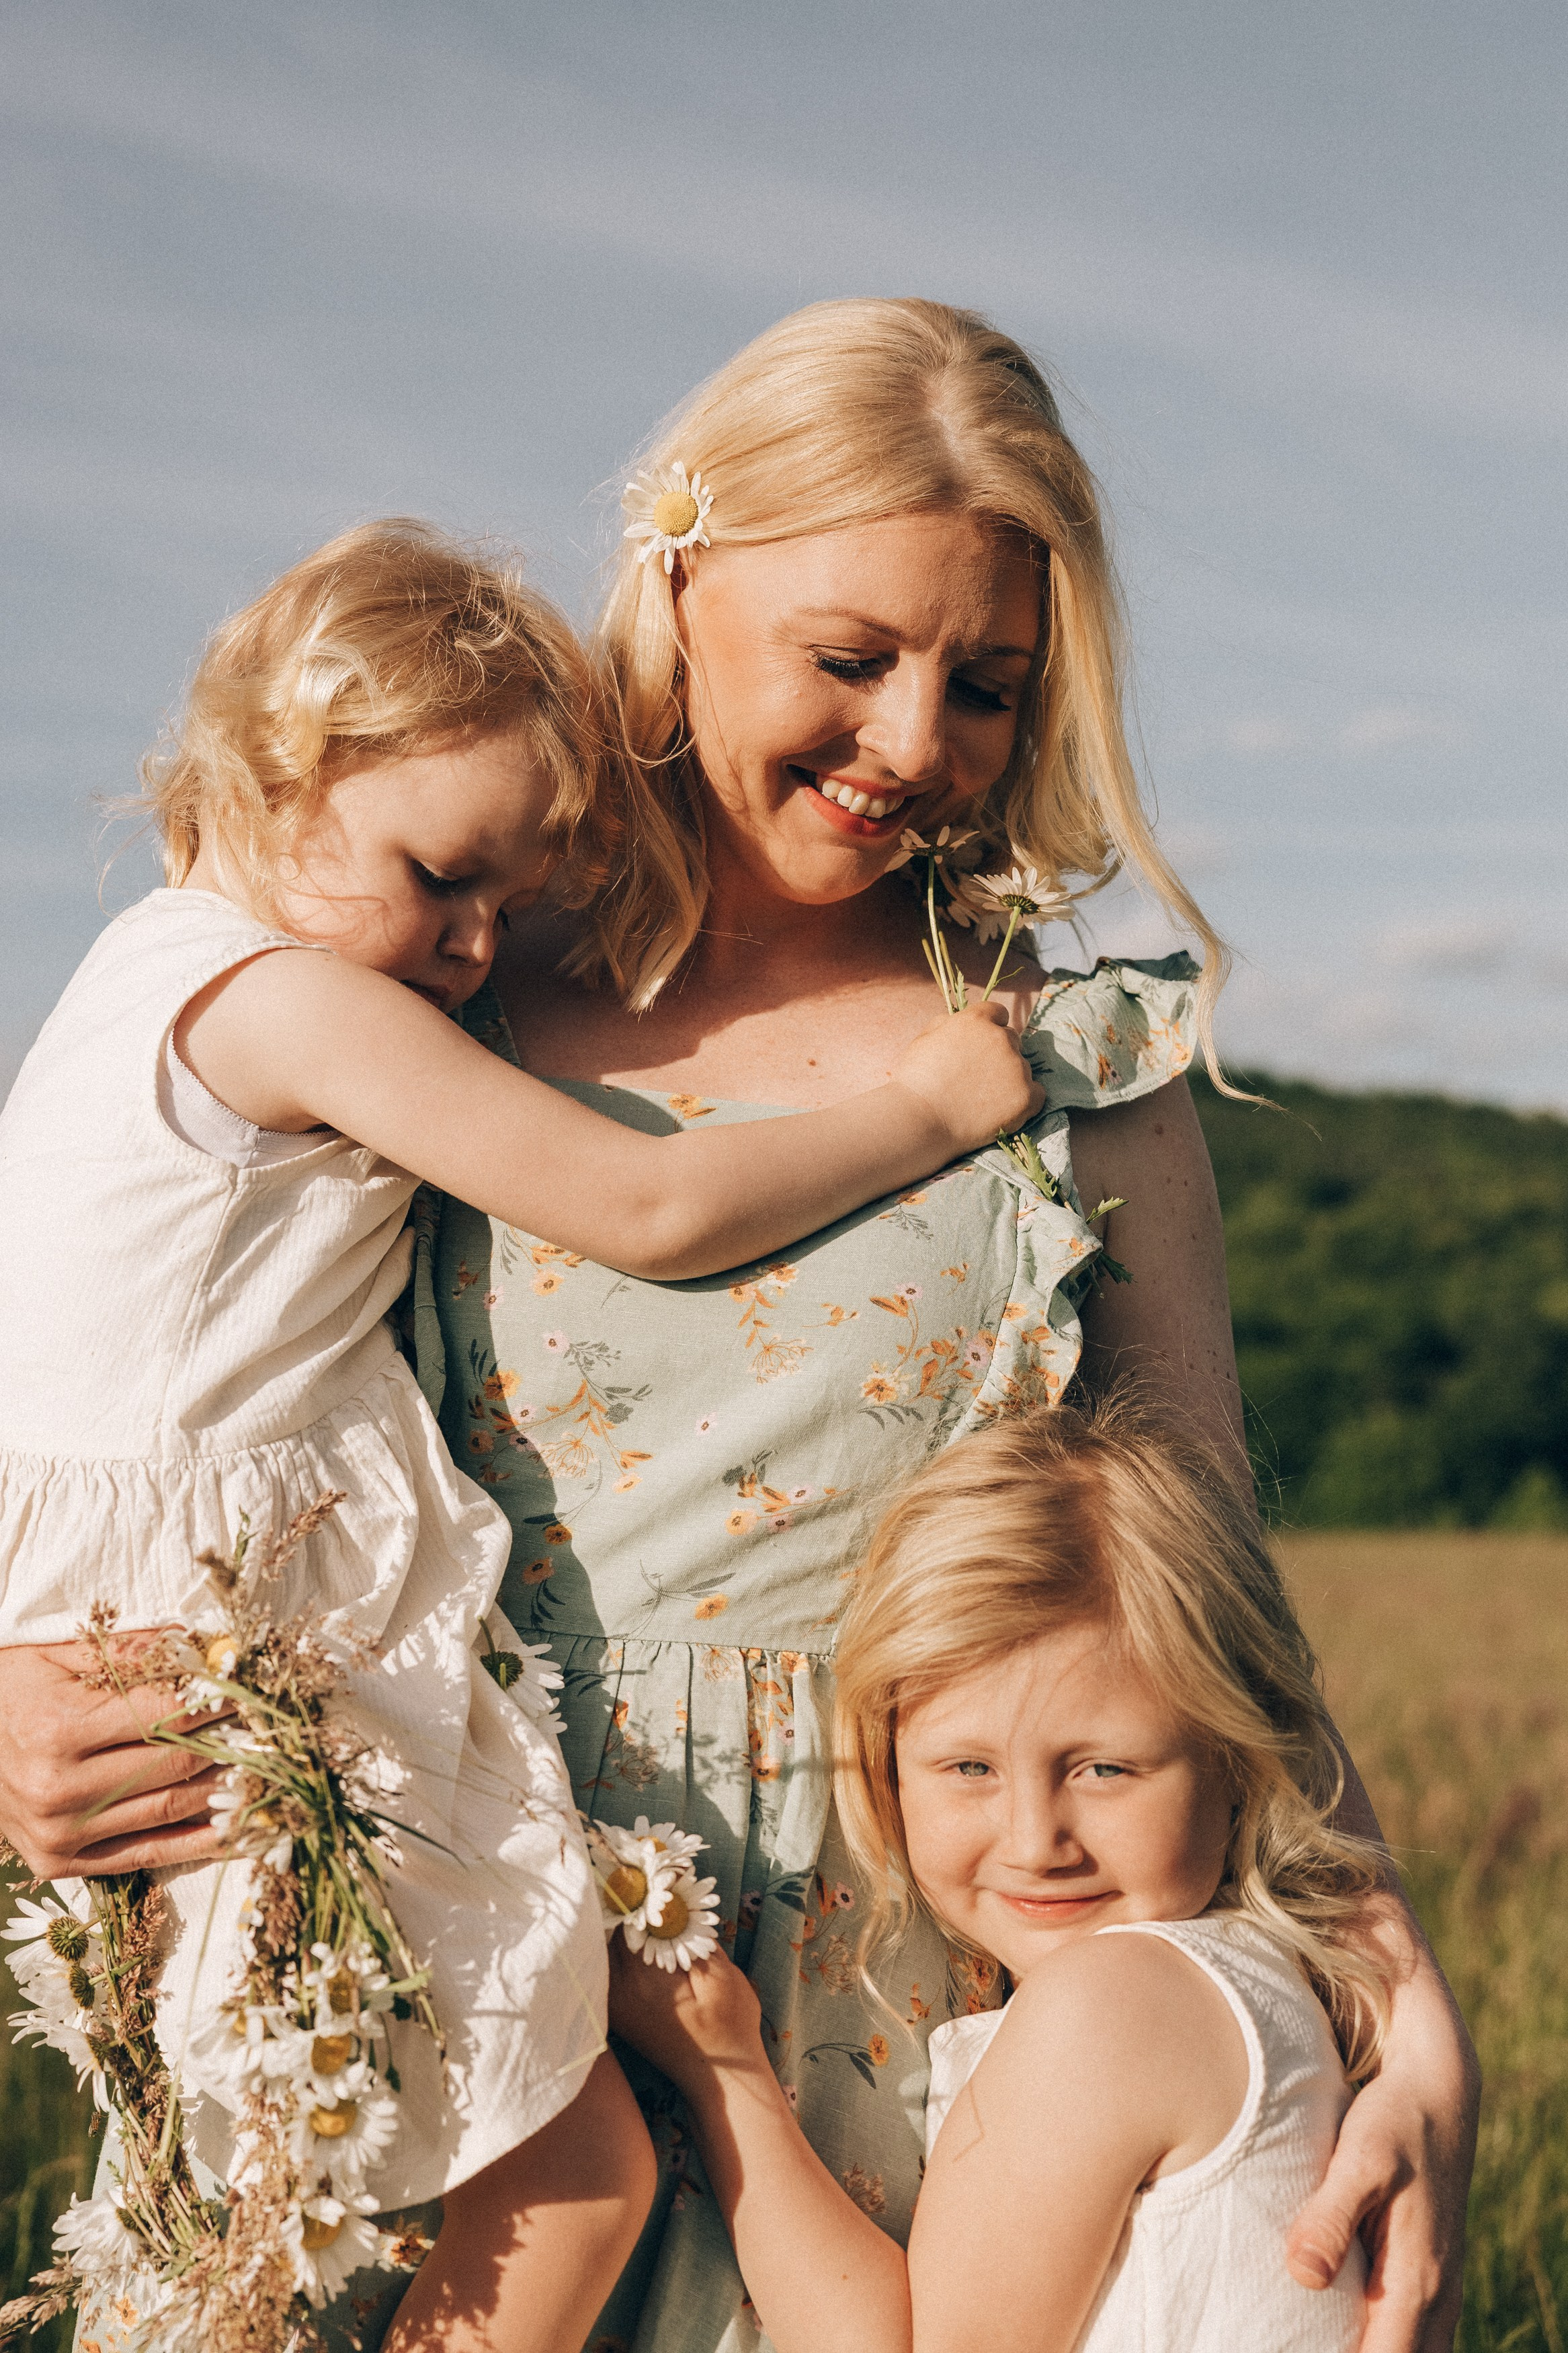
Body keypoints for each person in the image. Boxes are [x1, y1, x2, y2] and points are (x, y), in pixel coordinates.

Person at [0, 303, 1477, 2352]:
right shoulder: (429, 977)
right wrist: (18, 1700)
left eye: (986, 683)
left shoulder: (1055, 1057)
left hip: (891, 1967)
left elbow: (1197, 1574)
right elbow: (126, 1352)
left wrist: (1403, 2005)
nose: (915, 743)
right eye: (848, 657)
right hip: (432, 1914)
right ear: (677, 580)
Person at [0, 519, 1038, 2353]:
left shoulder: (125, 984)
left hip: (158, 1630)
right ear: (283, 768)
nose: (477, 946)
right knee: (571, 2176)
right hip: (252, 1654)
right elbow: (642, 1206)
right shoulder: (293, 1000)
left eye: (506, 900)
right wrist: (930, 1108)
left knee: (292, 2179)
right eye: (441, 877)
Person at [610, 1397, 1400, 2353]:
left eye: (1104, 1770)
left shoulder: (1110, 2006)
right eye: (969, 1768)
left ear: (1235, 1755)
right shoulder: (1261, 1978)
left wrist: (723, 2071)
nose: (1035, 1843)